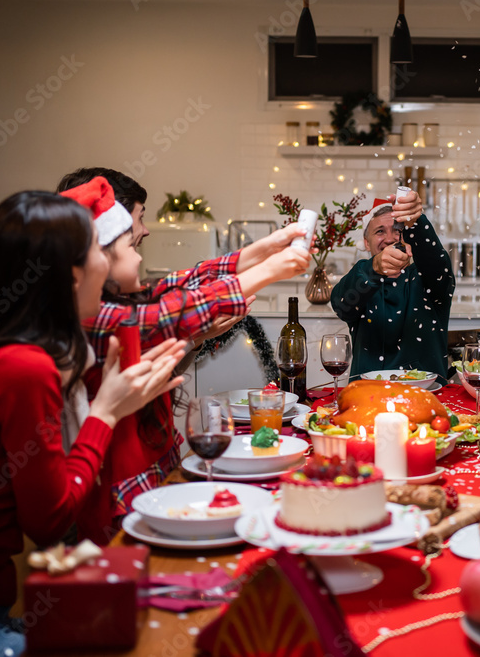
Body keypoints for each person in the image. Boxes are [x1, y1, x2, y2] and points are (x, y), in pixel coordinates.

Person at [0, 191, 186, 657]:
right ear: (73, 272)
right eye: (100, 251)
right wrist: (106, 412)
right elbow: (51, 520)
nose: (109, 264)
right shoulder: (24, 368)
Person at [55, 175, 311, 542]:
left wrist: (264, 249)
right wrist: (270, 270)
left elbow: (186, 282)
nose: (141, 249)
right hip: (118, 495)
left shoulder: (117, 300)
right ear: (97, 259)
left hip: (152, 476)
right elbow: (170, 313)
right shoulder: (94, 315)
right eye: (129, 242)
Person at [331, 192, 455, 379]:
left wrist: (416, 221)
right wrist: (374, 268)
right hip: (367, 397)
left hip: (426, 397)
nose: (390, 238)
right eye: (380, 231)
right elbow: (342, 305)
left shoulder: (427, 277)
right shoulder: (360, 276)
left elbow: (437, 264)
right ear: (366, 242)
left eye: (398, 230)